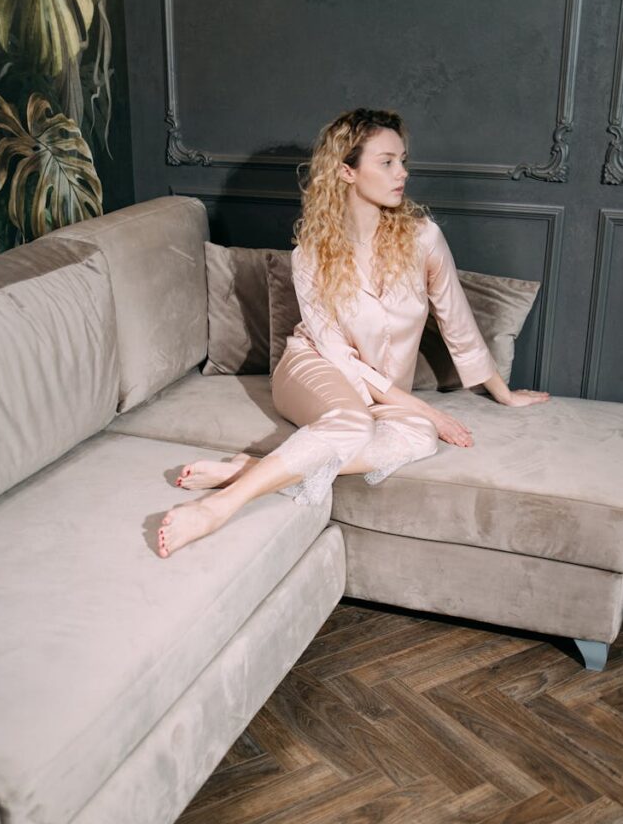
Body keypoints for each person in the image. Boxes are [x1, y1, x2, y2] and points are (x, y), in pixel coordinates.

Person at [157, 107, 549, 558]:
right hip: (315, 368)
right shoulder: (311, 255)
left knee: (418, 439)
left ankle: (252, 468)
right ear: (346, 170)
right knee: (355, 423)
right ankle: (219, 507)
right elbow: (339, 358)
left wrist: (503, 392)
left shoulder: (424, 238)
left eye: (402, 160)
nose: (401, 173)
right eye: (386, 162)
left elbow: (457, 322)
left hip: (383, 390)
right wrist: (426, 408)